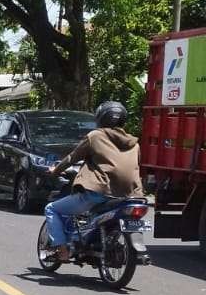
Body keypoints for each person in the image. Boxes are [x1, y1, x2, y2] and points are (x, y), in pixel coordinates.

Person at [46, 101, 142, 261]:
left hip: (98, 193)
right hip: (129, 196)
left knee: (52, 209)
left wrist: (55, 171)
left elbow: (72, 158)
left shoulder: (95, 136)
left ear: (101, 118)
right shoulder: (135, 144)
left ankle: (62, 251)